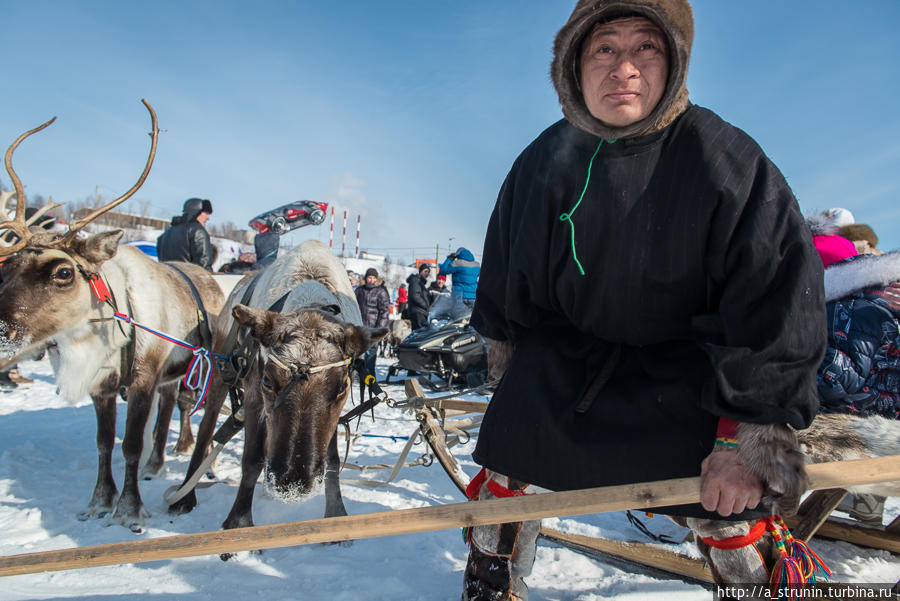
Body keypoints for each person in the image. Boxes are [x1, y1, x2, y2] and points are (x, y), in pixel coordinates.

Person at [462, 1, 826, 598]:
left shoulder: (727, 160)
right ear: (572, 66)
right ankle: (491, 577)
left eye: (645, 49)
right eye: (604, 48)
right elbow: (509, 286)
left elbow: (776, 304)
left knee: (732, 501)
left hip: (688, 368)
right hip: (570, 359)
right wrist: (510, 379)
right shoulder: (541, 163)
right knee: (507, 445)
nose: (623, 68)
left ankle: (754, 580)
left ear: (675, 62)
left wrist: (745, 438)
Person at [156, 197, 214, 270]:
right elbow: (204, 265)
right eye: (206, 213)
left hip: (166, 278)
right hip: (188, 279)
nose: (208, 218)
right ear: (197, 212)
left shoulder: (166, 233)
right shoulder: (197, 231)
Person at [354, 267, 391, 379]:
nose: (371, 280)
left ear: (376, 279)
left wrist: (379, 329)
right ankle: (358, 375)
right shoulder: (359, 291)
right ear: (366, 278)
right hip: (360, 327)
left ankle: (369, 376)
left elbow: (384, 311)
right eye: (369, 277)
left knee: (371, 354)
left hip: (373, 328)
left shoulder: (380, 292)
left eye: (373, 278)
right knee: (359, 353)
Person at [405, 263, 432, 330]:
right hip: (417, 312)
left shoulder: (420, 283)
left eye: (428, 272)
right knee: (419, 333)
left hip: (420, 311)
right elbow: (415, 295)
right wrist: (425, 306)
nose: (427, 273)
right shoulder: (416, 280)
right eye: (425, 271)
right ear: (420, 271)